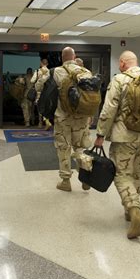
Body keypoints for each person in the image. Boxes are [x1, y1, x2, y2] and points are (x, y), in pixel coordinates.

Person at [93, 50, 140, 240]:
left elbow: (109, 109)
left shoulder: (120, 80)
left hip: (124, 136)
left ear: (123, 63)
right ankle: (129, 208)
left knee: (121, 174)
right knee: (137, 171)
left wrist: (100, 134)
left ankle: (134, 211)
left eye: (119, 63)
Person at [36, 47, 92, 192]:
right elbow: (91, 96)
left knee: (64, 148)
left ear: (62, 58)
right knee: (80, 148)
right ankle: (86, 177)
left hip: (63, 118)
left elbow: (38, 86)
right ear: (75, 57)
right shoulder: (86, 72)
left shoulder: (55, 71)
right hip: (82, 119)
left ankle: (66, 181)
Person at [32, 59, 51, 129]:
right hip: (47, 92)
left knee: (40, 107)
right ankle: (47, 121)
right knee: (46, 107)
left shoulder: (37, 71)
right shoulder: (49, 72)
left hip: (39, 92)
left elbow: (32, 80)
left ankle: (40, 123)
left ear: (41, 63)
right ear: (47, 64)